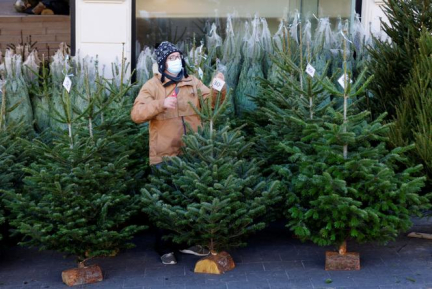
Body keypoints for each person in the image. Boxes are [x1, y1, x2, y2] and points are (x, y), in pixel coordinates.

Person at [131, 41, 226, 265]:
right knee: (165, 203)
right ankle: (165, 248)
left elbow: (210, 105)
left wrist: (217, 89)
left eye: (177, 56)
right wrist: (161, 104)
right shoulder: (152, 86)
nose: (176, 61)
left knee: (189, 201)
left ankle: (186, 243)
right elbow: (136, 114)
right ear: (162, 62)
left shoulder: (192, 82)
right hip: (164, 154)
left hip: (192, 153)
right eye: (171, 58)